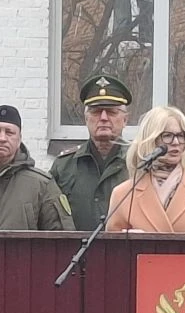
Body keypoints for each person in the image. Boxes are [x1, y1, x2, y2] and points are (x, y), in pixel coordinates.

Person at [105, 106, 185, 234]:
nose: (176, 142)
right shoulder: (124, 194)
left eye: (181, 136)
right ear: (150, 139)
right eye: (167, 135)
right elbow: (112, 245)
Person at [50, 75, 131, 231]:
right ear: (86, 119)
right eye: (96, 112)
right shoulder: (64, 166)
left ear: (125, 120)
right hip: (76, 246)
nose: (103, 118)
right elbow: (51, 218)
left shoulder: (139, 164)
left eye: (111, 112)